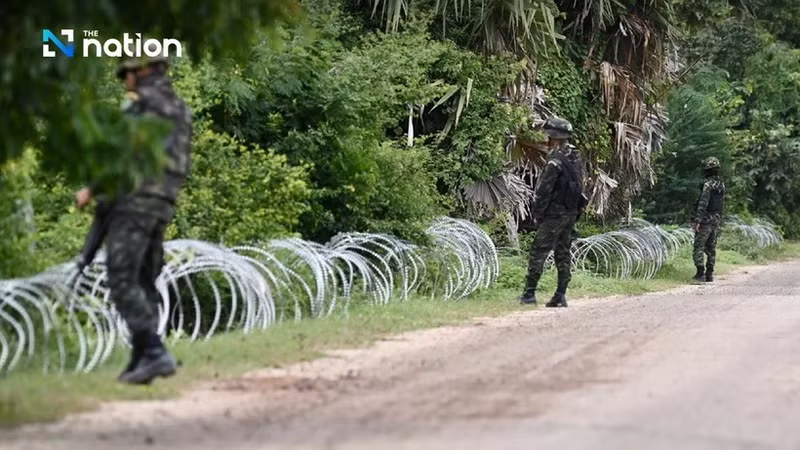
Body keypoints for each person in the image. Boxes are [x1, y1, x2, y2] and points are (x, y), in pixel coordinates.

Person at [75, 55, 192, 384]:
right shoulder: (180, 108)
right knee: (144, 278)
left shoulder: (138, 105)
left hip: (135, 199)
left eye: (128, 72)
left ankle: (154, 352)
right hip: (164, 200)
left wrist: (91, 189)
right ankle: (142, 358)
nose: (125, 79)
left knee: (121, 277)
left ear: (143, 71)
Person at [519, 117, 586, 307]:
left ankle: (529, 294)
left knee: (538, 251)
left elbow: (543, 190)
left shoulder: (555, 161)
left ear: (553, 138)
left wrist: (538, 214)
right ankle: (560, 294)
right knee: (563, 253)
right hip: (571, 213)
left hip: (554, 215)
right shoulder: (575, 157)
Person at [691, 156, 725, 283]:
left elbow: (703, 203)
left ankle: (700, 273)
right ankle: (709, 273)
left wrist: (698, 220)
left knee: (699, 246)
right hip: (716, 218)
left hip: (705, 219)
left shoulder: (708, 185)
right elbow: (721, 203)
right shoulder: (721, 185)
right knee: (711, 247)